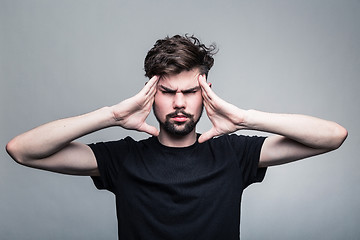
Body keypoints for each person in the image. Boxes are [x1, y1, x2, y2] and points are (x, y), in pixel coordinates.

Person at [6, 34, 347, 240]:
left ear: (206, 92)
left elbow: (332, 136)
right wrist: (111, 115)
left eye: (190, 91)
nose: (180, 103)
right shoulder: (121, 159)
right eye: (168, 92)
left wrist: (244, 118)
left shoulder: (235, 152)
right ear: (149, 94)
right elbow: (22, 150)